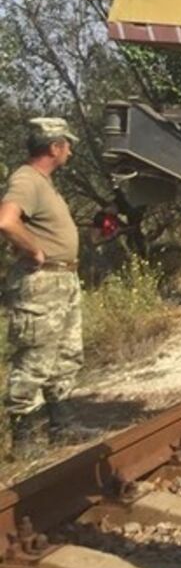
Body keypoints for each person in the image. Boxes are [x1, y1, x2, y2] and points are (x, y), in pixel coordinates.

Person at [1, 117, 91, 458]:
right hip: (43, 283)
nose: (69, 150)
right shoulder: (26, 180)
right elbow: (6, 220)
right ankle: (25, 439)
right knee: (35, 357)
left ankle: (61, 426)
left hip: (61, 280)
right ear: (54, 147)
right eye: (66, 144)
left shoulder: (43, 182)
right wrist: (33, 249)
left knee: (65, 355)